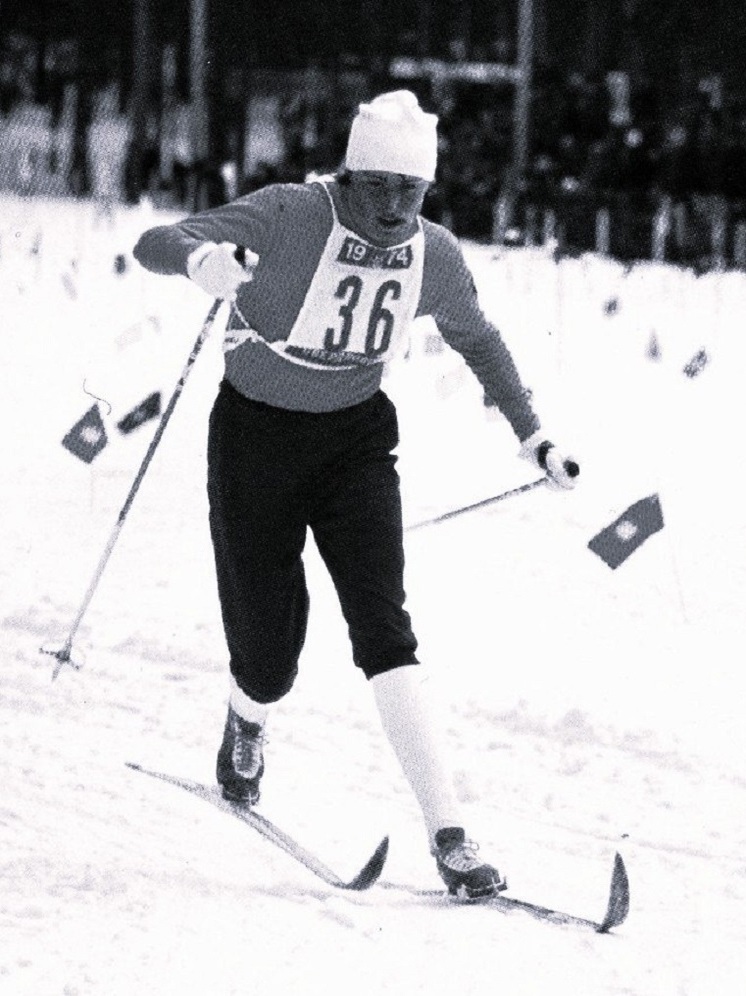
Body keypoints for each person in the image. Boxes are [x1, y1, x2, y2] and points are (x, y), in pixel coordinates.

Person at [133, 90, 578, 899]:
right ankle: (248, 717)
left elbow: (478, 338)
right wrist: (204, 262)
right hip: (256, 437)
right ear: (349, 173)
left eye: (412, 192)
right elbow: (158, 239)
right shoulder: (290, 214)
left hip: (354, 441)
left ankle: (451, 835)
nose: (395, 208)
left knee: (384, 624)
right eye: (379, 188)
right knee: (271, 650)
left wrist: (533, 434)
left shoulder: (431, 253)